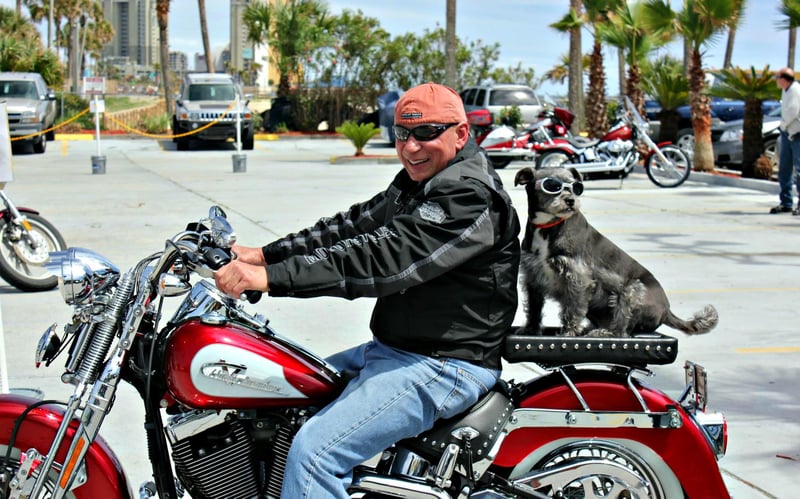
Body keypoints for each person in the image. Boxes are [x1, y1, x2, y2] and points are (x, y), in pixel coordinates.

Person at [213, 82, 521, 498]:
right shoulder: (422, 180)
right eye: (401, 134)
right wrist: (264, 255)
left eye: (427, 133)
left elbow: (386, 258)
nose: (411, 147)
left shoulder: (468, 194)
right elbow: (353, 227)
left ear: (461, 134)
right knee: (279, 397)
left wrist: (272, 278)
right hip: (397, 350)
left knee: (316, 453)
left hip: (444, 364)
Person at [772, 67, 800, 214]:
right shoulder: (786, 90)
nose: (776, 80)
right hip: (787, 133)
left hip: (797, 133)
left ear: (784, 79)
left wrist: (782, 125)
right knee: (784, 170)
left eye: (777, 77)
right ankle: (786, 202)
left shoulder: (795, 90)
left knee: (799, 170)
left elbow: (793, 112)